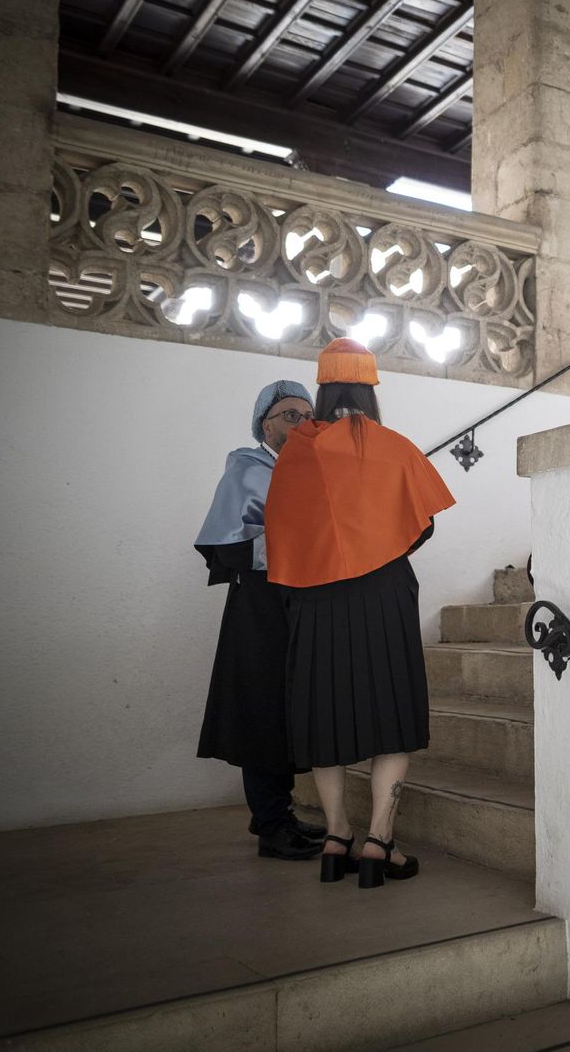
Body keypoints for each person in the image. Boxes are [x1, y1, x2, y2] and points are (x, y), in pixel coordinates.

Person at [265, 338, 455, 888]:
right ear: (371, 388)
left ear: (322, 388)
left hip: (313, 597)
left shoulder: (296, 452)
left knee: (323, 715)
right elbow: (423, 524)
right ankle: (379, 842)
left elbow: (282, 530)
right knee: (390, 714)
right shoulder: (392, 446)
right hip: (382, 596)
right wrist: (378, 549)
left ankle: (336, 837)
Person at [194, 380, 327, 860]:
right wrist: (304, 543)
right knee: (261, 710)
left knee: (290, 709)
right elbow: (229, 549)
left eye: (308, 416)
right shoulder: (248, 470)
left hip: (300, 605)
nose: (302, 423)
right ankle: (272, 827)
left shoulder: (312, 470)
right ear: (264, 425)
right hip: (260, 609)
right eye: (291, 415)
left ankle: (275, 813)